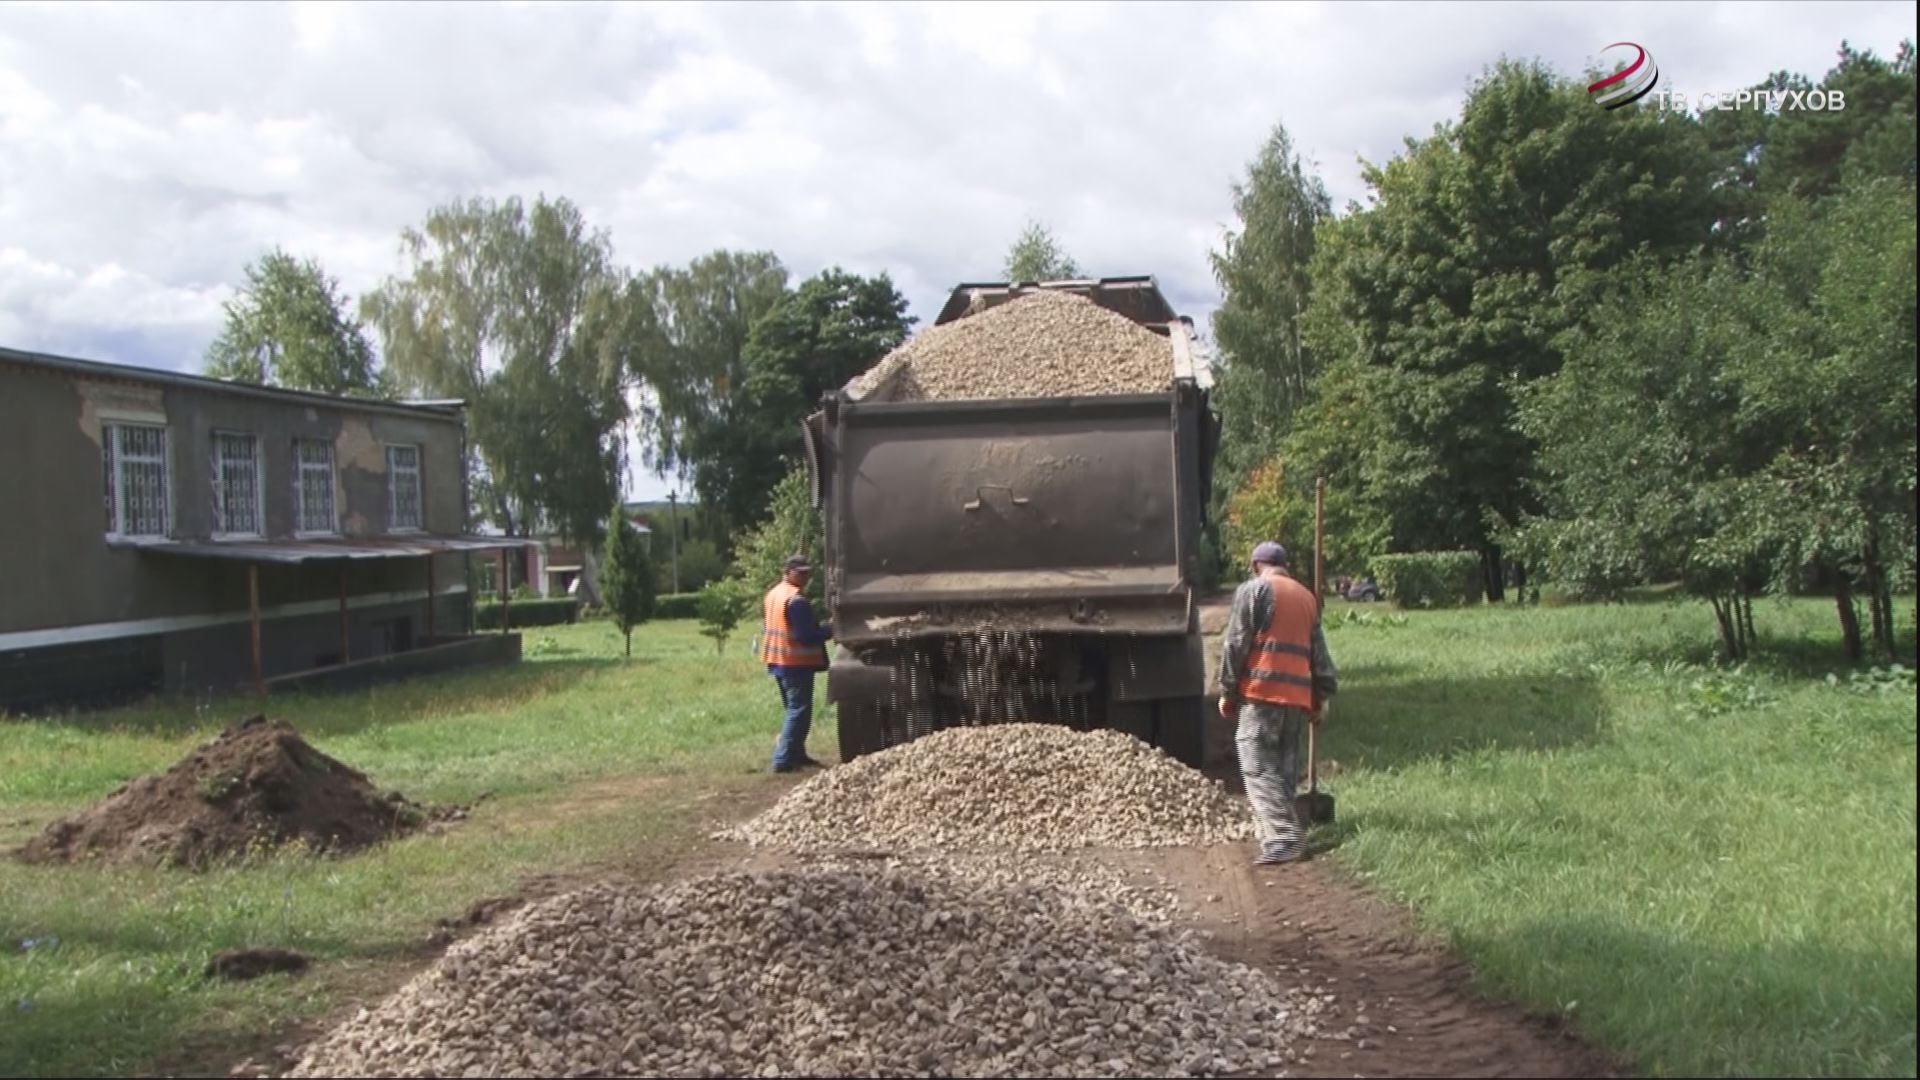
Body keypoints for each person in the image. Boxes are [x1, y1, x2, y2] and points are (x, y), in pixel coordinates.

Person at [1216, 541, 1338, 865]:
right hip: (1295, 699)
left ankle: (1285, 838)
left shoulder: (1254, 591)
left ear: (1256, 565)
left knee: (1257, 766)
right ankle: (1280, 834)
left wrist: (1228, 690)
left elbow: (1236, 644)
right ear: (1284, 565)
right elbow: (1319, 654)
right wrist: (1321, 697)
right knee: (1283, 771)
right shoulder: (1306, 597)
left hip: (1261, 694)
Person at [761, 554, 833, 773]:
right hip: (795, 661)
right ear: (788, 571)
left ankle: (797, 755)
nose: (806, 577)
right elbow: (806, 636)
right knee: (798, 710)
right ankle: (782, 759)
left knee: (793, 709)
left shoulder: (774, 594)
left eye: (807, 572)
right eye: (801, 572)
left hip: (778, 661)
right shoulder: (796, 600)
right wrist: (831, 629)